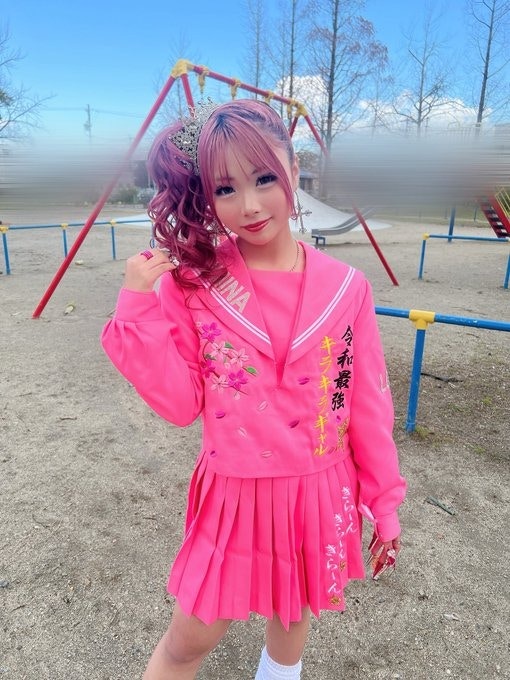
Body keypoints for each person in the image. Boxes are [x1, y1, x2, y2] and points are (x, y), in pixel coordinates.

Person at [101, 98, 406, 679]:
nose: (249, 205)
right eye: (225, 188)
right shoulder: (194, 283)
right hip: (234, 495)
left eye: (264, 177)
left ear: (294, 168)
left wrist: (384, 503)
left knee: (293, 616)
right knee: (187, 642)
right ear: (206, 196)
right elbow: (181, 404)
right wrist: (137, 307)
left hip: (318, 488)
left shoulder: (348, 288)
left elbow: (366, 404)